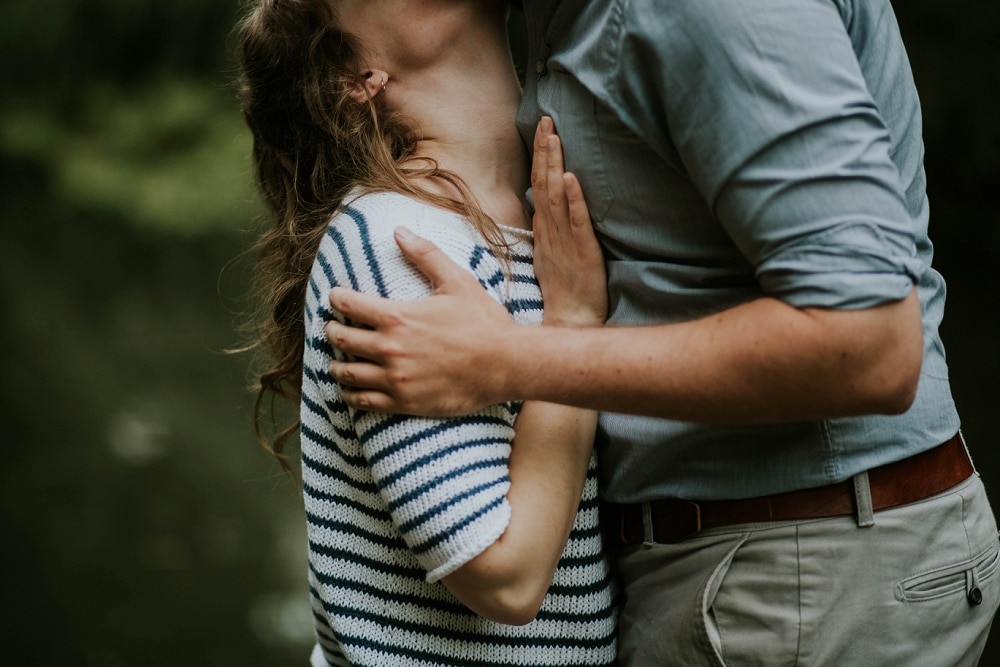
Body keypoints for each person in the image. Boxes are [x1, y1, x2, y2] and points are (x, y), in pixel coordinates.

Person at [323, 0, 1000, 664]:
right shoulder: (537, 37)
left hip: (797, 570)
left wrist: (512, 357)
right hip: (742, 572)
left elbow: (872, 344)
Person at [238, 1, 616, 665]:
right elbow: (506, 575)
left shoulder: (535, 225)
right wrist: (573, 329)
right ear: (357, 79)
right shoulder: (396, 241)